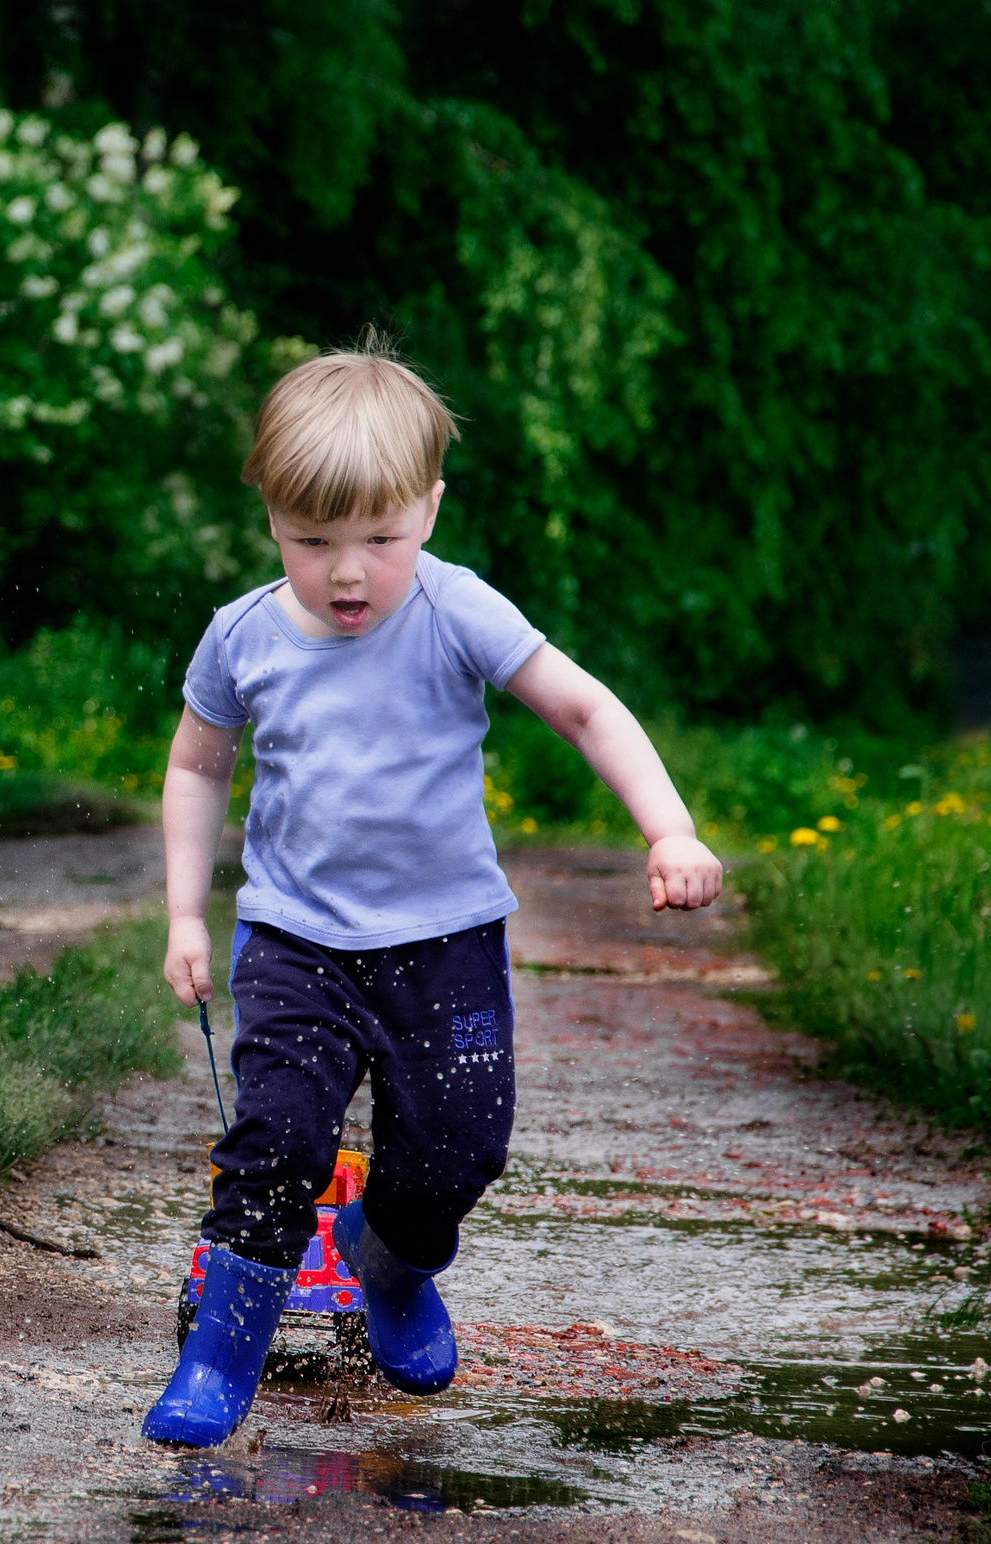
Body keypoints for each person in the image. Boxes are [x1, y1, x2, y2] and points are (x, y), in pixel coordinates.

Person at [143, 339, 723, 1448]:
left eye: (381, 537)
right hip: (294, 941)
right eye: (313, 542)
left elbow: (586, 709)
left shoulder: (458, 611)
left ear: (430, 508)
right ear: (269, 514)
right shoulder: (245, 635)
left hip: (444, 944)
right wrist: (183, 909)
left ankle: (391, 1265)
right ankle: (223, 1351)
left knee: (457, 1149)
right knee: (273, 1142)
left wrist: (669, 825)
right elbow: (194, 763)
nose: (348, 572)